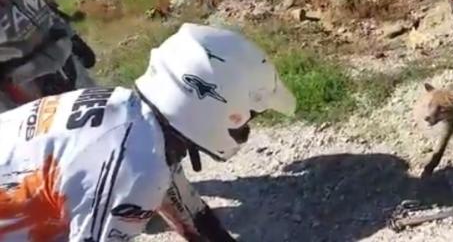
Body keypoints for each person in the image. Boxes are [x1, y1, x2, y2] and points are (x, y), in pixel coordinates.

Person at [0, 23, 297, 241]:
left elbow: (190, 211)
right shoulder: (136, 168)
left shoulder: (131, 118)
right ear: (217, 108)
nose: (244, 130)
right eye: (245, 122)